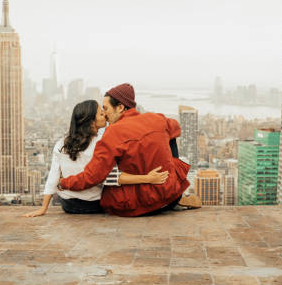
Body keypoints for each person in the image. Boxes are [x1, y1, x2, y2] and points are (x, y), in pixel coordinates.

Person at [59, 83, 201, 217]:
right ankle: (172, 185)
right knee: (170, 137)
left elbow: (92, 177)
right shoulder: (157, 118)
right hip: (170, 198)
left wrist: (64, 183)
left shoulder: (112, 133)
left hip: (137, 206)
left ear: (120, 107)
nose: (105, 114)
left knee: (108, 176)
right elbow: (175, 126)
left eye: (106, 108)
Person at [23, 99, 168, 217]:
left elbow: (53, 176)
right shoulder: (102, 143)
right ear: (91, 121)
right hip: (93, 205)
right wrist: (148, 178)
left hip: (68, 205)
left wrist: (43, 209)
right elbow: (112, 178)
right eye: (100, 113)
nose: (104, 114)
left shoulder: (61, 143)